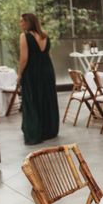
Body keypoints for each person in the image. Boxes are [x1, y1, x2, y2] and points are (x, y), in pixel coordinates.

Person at [17, 13, 59, 145]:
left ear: (28, 22)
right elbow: (47, 54)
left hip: (32, 72)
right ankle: (49, 130)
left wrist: (19, 75)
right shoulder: (44, 35)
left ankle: (34, 132)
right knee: (47, 99)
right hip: (47, 71)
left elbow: (24, 59)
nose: (20, 24)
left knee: (31, 100)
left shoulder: (24, 36)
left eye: (22, 22)